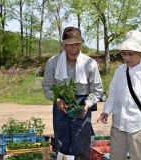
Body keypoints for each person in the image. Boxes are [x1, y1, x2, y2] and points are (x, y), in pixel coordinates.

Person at [97, 30, 141, 159]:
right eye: (124, 54)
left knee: (138, 157)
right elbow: (113, 93)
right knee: (116, 157)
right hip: (118, 124)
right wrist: (106, 111)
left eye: (130, 54)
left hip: (138, 125)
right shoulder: (120, 70)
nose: (126, 57)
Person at [42, 26, 104, 160]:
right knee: (62, 142)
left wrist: (86, 105)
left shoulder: (89, 63)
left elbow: (97, 90)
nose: (74, 49)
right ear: (63, 45)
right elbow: (47, 86)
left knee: (81, 144)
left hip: (82, 106)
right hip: (60, 107)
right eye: (70, 45)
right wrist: (57, 99)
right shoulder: (53, 62)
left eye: (77, 44)